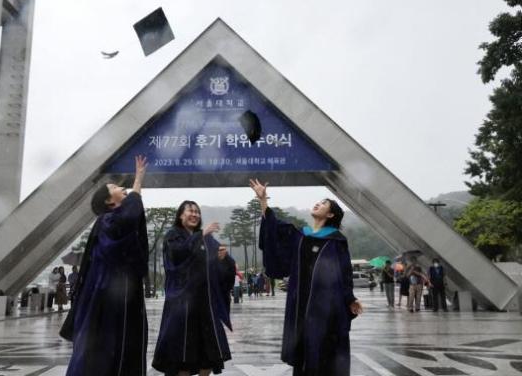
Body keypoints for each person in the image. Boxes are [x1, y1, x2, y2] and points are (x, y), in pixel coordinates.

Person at [250, 179, 362, 376]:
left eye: (324, 203)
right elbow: (274, 230)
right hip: (300, 304)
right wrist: (263, 200)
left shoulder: (336, 240)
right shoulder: (300, 235)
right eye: (318, 201)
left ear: (330, 214)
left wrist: (350, 298)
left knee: (325, 353)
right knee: (302, 353)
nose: (318, 203)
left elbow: (344, 273)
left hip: (326, 307)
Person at [61, 156, 149, 376]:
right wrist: (137, 182)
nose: (121, 187)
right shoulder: (107, 221)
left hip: (122, 298)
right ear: (109, 202)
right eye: (115, 187)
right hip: (108, 301)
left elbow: (131, 218)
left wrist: (138, 182)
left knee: (121, 352)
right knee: (103, 356)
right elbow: (129, 218)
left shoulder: (114, 220)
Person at [152, 200, 236, 376]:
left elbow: (224, 271)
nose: (195, 214)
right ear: (180, 215)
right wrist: (201, 235)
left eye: (197, 212)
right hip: (182, 306)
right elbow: (177, 256)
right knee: (183, 358)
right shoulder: (173, 235)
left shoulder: (207, 239)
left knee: (208, 357)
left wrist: (224, 259)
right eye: (190, 211)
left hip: (205, 307)